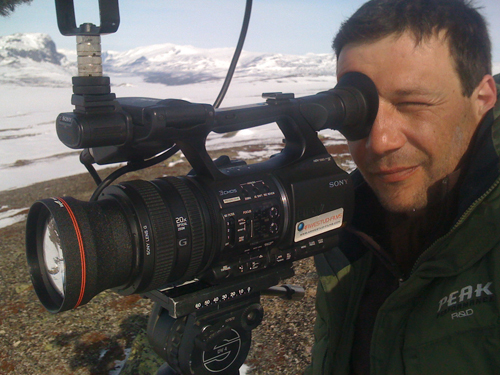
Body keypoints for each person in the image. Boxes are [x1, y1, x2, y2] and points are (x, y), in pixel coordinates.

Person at [305, 0, 500, 374]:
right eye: (357, 111)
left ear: (482, 99)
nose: (379, 142)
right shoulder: (348, 230)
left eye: (413, 104)